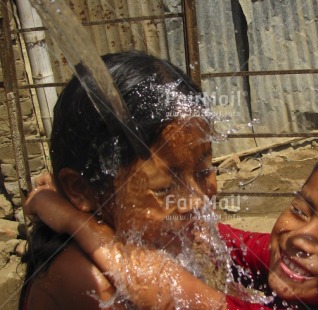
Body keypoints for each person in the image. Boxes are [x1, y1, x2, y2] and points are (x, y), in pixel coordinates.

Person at [24, 137, 318, 309]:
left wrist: (72, 218)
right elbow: (221, 239)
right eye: (300, 210)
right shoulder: (313, 278)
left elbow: (162, 288)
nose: (300, 238)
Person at [19, 50, 232, 310]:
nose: (196, 200)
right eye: (164, 188)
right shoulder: (91, 282)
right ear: (81, 190)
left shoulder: (168, 236)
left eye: (203, 171)